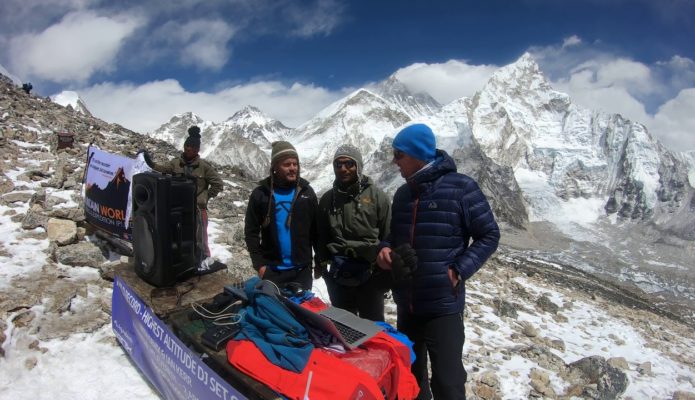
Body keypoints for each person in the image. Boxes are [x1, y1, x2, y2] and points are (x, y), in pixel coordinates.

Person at [376, 123, 500, 399]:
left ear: (417, 153)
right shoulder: (403, 194)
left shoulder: (461, 188)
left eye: (399, 154)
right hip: (408, 302)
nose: (394, 161)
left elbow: (489, 234)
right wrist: (384, 252)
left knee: (448, 380)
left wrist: (458, 270)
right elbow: (392, 236)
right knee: (411, 377)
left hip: (443, 304)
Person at [316, 144, 391, 321]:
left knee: (373, 328)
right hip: (338, 274)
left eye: (349, 164)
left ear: (358, 166)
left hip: (370, 274)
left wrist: (386, 275)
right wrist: (321, 265)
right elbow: (322, 235)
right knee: (343, 328)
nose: (343, 169)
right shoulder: (328, 199)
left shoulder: (377, 197)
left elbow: (388, 235)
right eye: (338, 165)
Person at [244, 141, 319, 291]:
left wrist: (319, 262)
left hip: (301, 271)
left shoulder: (307, 193)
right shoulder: (261, 194)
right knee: (275, 313)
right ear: (275, 167)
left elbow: (316, 231)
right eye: (287, 164)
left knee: (301, 312)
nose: (293, 168)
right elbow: (251, 231)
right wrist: (260, 265)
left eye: (295, 164)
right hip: (273, 271)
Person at [145, 126, 224, 267]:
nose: (188, 149)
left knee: (200, 237)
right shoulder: (176, 163)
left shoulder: (204, 167)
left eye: (192, 147)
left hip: (198, 209)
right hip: (179, 208)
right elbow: (164, 169)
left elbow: (218, 184)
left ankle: (204, 259)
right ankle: (183, 260)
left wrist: (205, 197)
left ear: (197, 150)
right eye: (187, 145)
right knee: (179, 234)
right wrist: (150, 163)